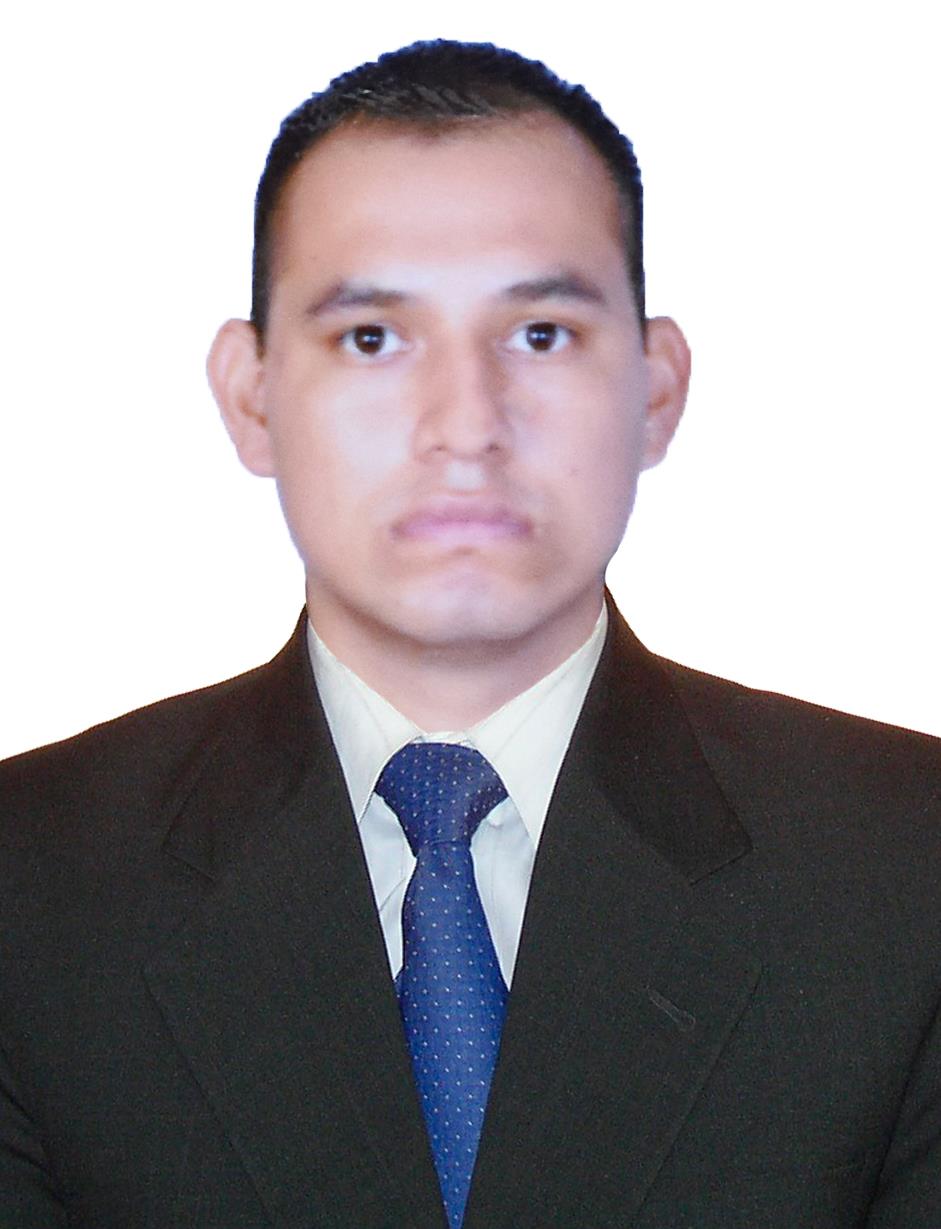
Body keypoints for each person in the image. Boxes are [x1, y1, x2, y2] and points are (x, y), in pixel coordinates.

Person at [1, 38, 940, 1229]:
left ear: (655, 389)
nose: (463, 425)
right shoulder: (32, 885)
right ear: (251, 395)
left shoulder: (904, 868)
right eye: (371, 337)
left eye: (538, 333)